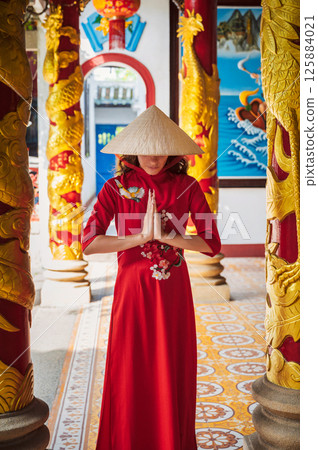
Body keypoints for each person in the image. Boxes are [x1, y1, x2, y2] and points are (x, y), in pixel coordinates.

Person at [81, 106, 221, 450]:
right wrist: (140, 238)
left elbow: (211, 243)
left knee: (170, 365)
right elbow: (89, 242)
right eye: (146, 148)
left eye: (161, 149)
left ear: (172, 150)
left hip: (173, 289)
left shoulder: (187, 187)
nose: (154, 157)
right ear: (133, 149)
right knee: (131, 368)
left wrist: (171, 238)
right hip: (131, 288)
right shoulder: (115, 188)